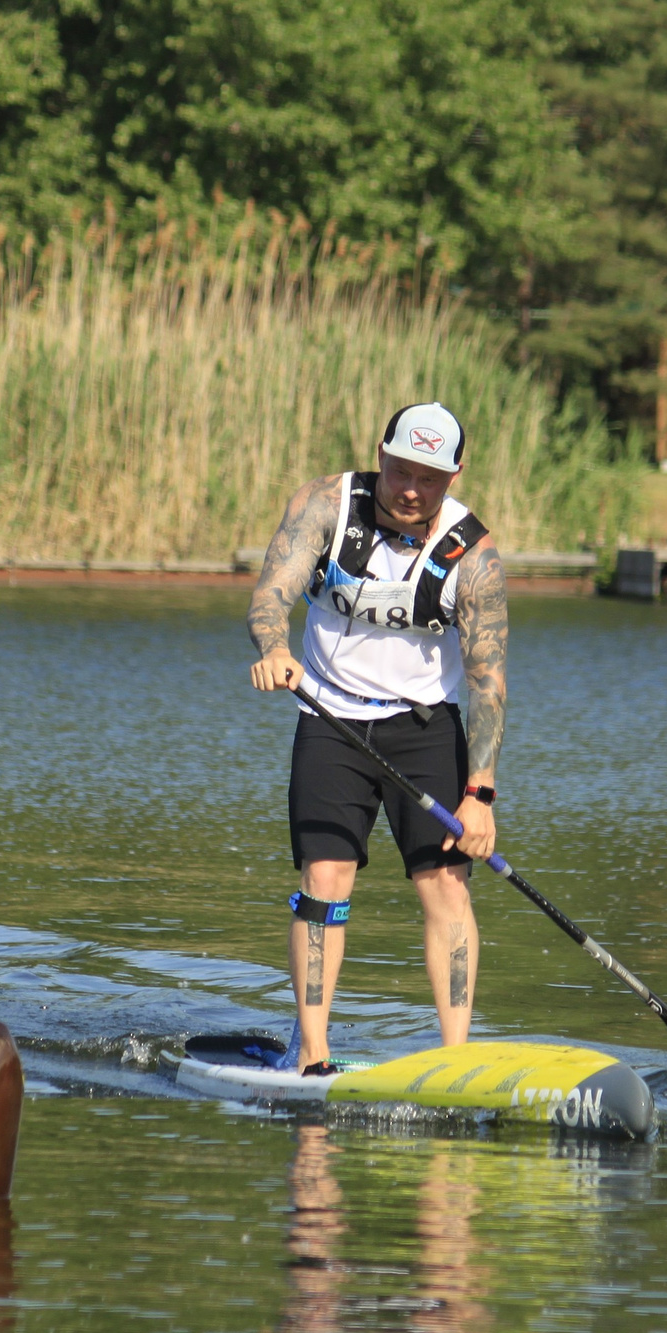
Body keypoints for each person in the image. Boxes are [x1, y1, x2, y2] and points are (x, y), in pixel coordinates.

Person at [246, 402, 507, 1076]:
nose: (411, 488)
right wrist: (274, 648)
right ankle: (314, 1055)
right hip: (329, 719)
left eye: (429, 477)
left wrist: (480, 794)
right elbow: (272, 595)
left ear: (452, 476)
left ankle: (455, 1062)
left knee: (447, 888)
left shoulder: (473, 555)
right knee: (324, 881)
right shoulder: (325, 505)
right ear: (380, 455)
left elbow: (486, 681)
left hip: (424, 731)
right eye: (400, 470)